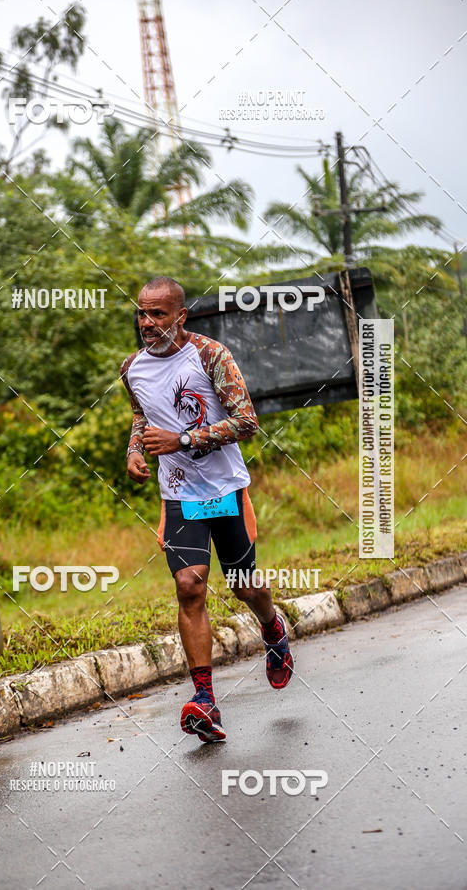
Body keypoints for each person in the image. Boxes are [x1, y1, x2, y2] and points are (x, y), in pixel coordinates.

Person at [120, 276, 293, 743]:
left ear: (181, 316)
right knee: (189, 585)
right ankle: (204, 700)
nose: (147, 323)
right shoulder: (132, 367)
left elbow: (246, 421)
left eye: (158, 314)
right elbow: (142, 414)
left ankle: (272, 627)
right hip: (180, 494)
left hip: (224, 488)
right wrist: (135, 450)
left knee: (244, 587)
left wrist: (182, 439)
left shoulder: (210, 355)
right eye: (142, 313)